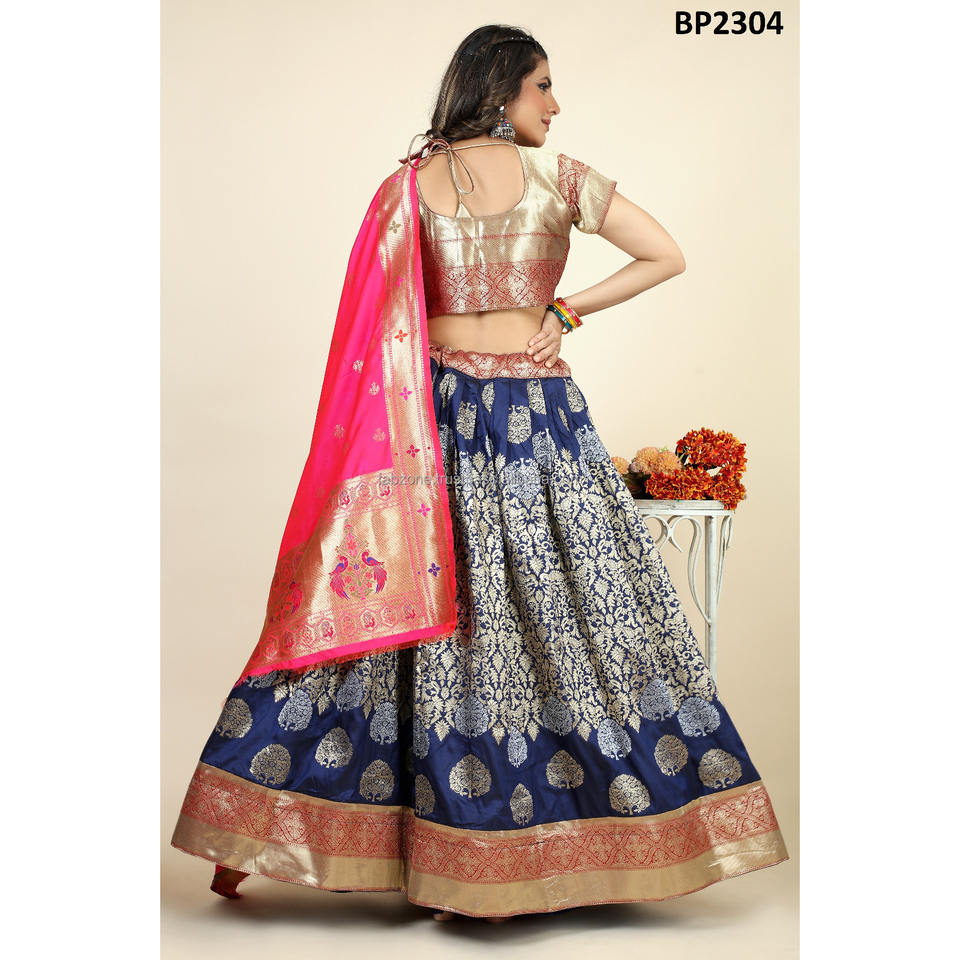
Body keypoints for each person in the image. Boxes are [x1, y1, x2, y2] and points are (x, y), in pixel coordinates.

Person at [170, 23, 789, 923]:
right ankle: (552, 844)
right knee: (573, 617)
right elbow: (667, 253)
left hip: (433, 423)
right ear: (502, 90)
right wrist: (564, 313)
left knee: (396, 624)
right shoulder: (561, 178)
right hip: (538, 421)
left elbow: (373, 330)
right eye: (543, 85)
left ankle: (273, 827)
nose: (556, 104)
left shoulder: (406, 188)